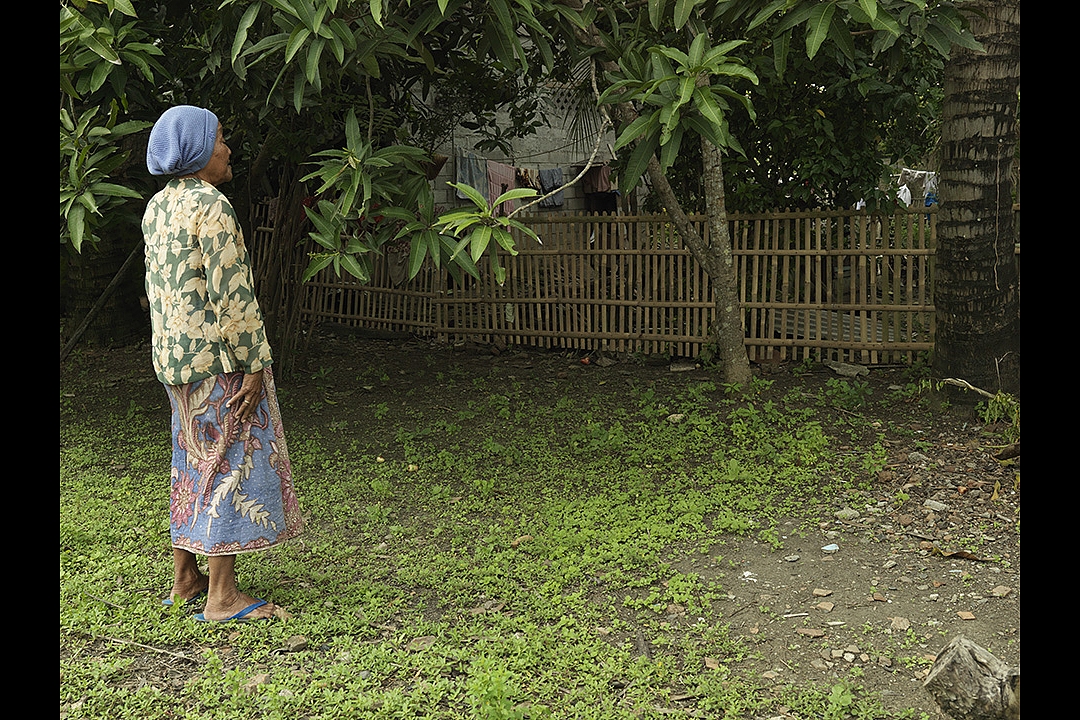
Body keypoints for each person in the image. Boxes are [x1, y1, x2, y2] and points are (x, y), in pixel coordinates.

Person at [142, 105, 303, 622]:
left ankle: (185, 579)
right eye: (219, 139)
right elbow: (231, 298)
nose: (228, 148)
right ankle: (222, 596)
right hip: (219, 362)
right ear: (195, 151)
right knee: (229, 464)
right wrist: (255, 363)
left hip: (174, 362)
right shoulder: (211, 206)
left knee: (191, 462)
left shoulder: (157, 208)